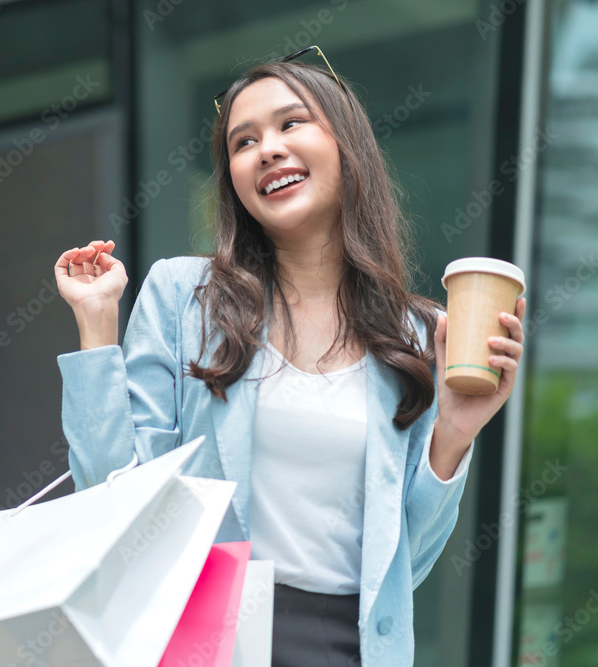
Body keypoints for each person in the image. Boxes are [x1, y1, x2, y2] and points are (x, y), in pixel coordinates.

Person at [51, 54, 526, 667]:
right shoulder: (183, 297)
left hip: (351, 646)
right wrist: (96, 323)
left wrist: (455, 433)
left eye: (290, 124)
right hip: (207, 632)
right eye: (243, 142)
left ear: (346, 144)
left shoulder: (415, 334)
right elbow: (110, 495)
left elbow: (402, 567)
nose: (267, 150)